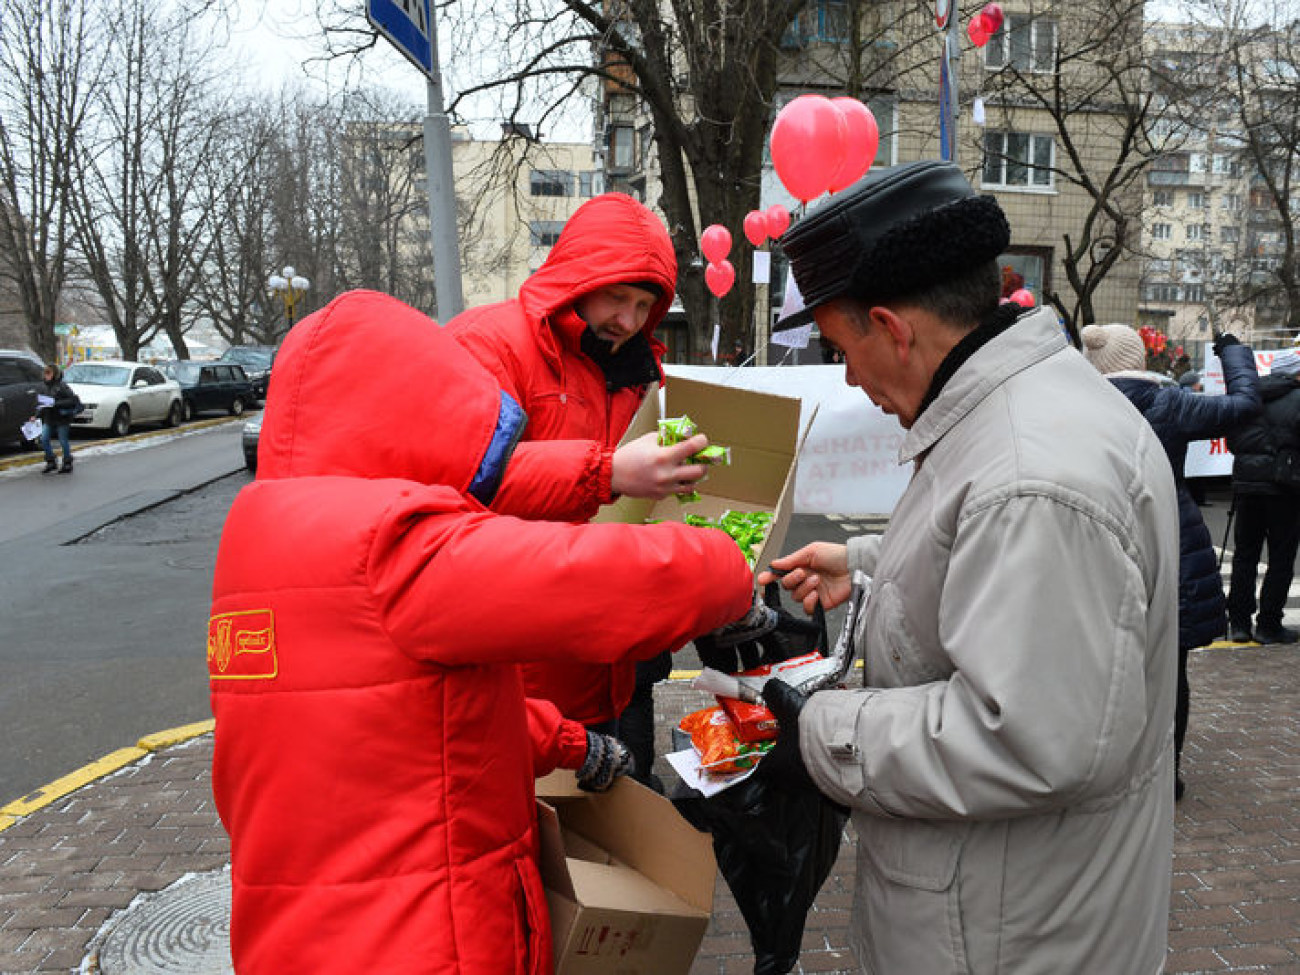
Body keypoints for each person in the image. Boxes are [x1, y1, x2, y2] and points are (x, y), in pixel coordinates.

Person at [208, 289, 756, 974]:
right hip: (417, 937)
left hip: (298, 936)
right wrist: (730, 559)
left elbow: (403, 711)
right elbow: (598, 582)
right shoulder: (391, 543)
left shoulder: (259, 537)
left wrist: (565, 742)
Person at [755, 160, 1179, 974]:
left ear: (893, 326)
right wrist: (868, 563)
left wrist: (814, 729)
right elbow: (998, 578)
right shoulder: (1022, 415)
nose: (850, 378)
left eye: (845, 350)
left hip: (1005, 934)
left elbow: (1023, 737)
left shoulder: (1031, 476)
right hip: (1011, 904)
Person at [447, 192, 705, 788]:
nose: (629, 320)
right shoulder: (487, 345)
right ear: (576, 277)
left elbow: (633, 508)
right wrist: (607, 471)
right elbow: (463, 483)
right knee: (527, 853)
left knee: (621, 856)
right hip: (520, 679)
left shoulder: (637, 366)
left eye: (645, 305)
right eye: (616, 296)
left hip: (619, 668)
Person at [1082, 322, 1261, 800]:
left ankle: (1102, 768)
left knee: (1100, 663)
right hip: (1168, 539)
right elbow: (1245, 406)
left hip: (1093, 541)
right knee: (1169, 666)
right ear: (1140, 359)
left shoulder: (1076, 406)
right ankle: (1165, 774)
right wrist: (1232, 348)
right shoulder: (1168, 404)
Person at [1224, 346, 1300, 645]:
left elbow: (1232, 440)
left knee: (1245, 555)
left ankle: (1239, 623)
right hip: (1285, 486)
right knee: (1280, 558)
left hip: (1247, 485)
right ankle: (1269, 624)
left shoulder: (1248, 400)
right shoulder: (1296, 399)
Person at [37, 364, 78, 474]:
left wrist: (55, 403)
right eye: (45, 373)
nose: (46, 375)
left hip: (62, 418)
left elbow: (72, 400)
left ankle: (67, 462)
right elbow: (42, 404)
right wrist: (36, 416)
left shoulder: (62, 386)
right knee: (44, 439)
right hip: (49, 418)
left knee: (63, 440)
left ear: (55, 374)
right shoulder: (44, 387)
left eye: (49, 373)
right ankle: (51, 461)